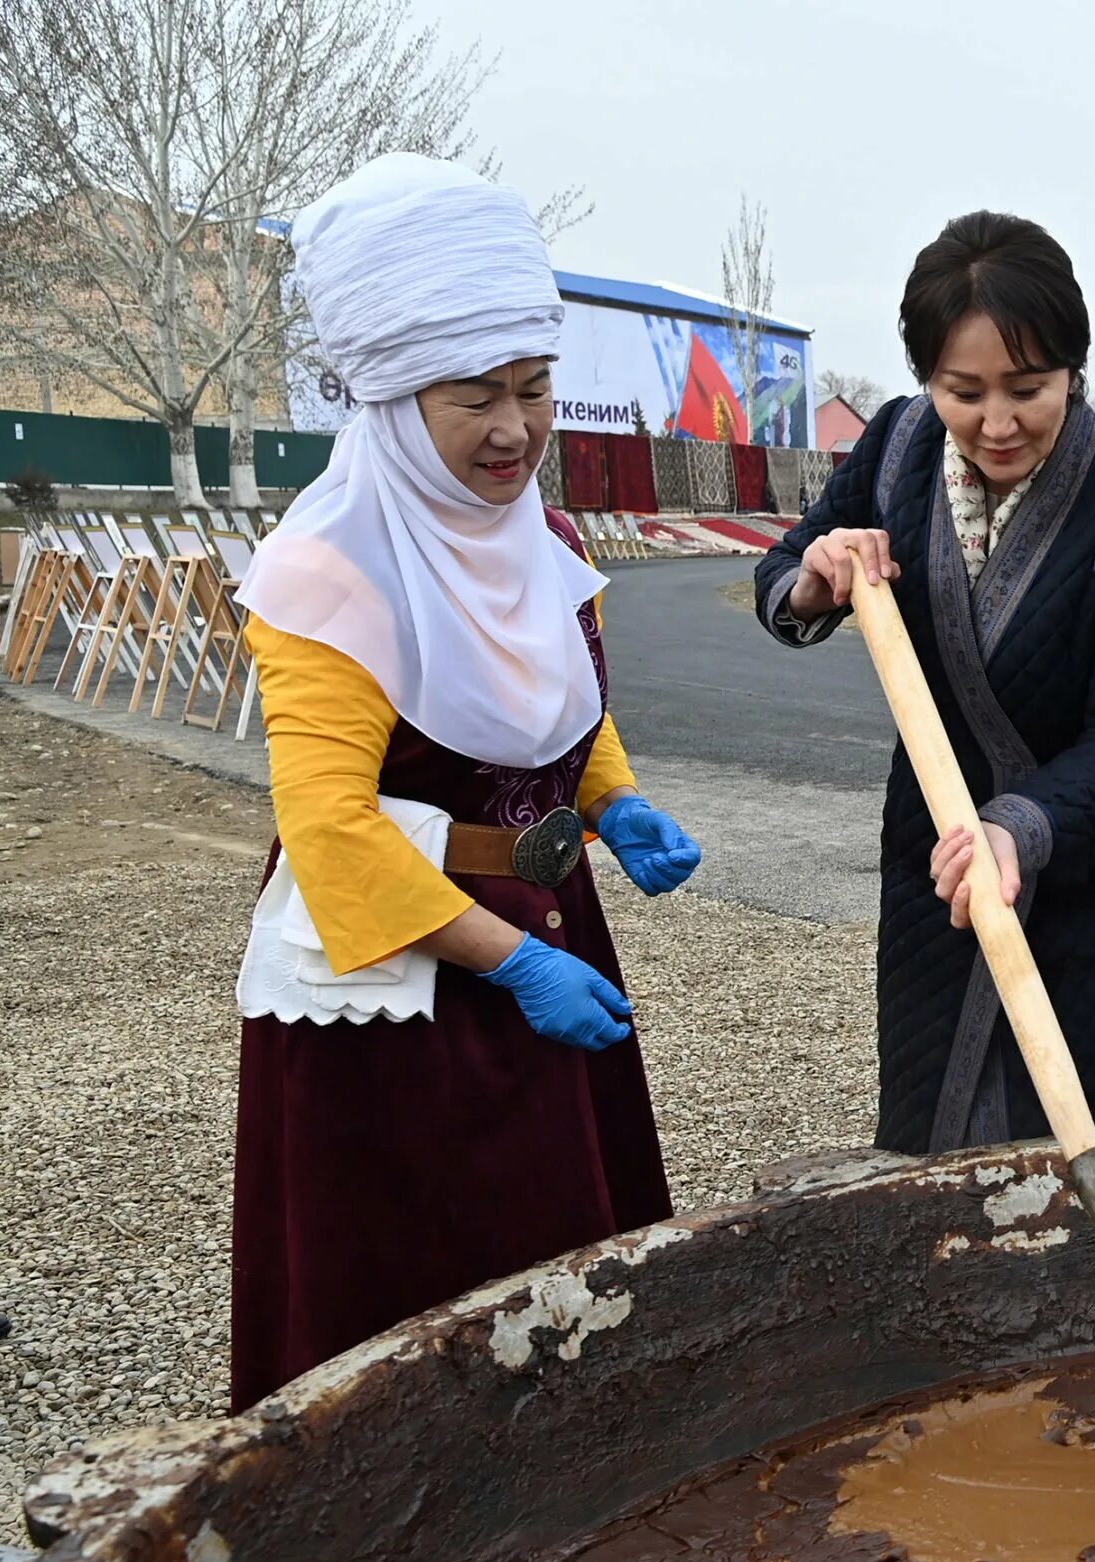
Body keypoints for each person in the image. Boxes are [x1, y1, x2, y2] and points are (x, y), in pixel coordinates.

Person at [229, 156, 698, 1411]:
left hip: (547, 934)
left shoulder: (536, 537)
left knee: (562, 1232)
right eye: (473, 398)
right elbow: (326, 829)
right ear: (390, 402)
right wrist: (512, 960)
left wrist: (614, 801)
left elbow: (557, 708)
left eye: (536, 390)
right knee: (419, 1275)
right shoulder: (327, 574)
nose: (514, 430)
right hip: (402, 986)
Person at [753, 211, 1095, 1154]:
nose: (996, 423)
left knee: (1081, 1139)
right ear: (927, 379)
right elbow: (790, 570)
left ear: (1073, 368)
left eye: (1028, 389)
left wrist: (1019, 825)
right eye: (964, 391)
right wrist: (818, 571)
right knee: (933, 1135)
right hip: (940, 856)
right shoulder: (897, 447)